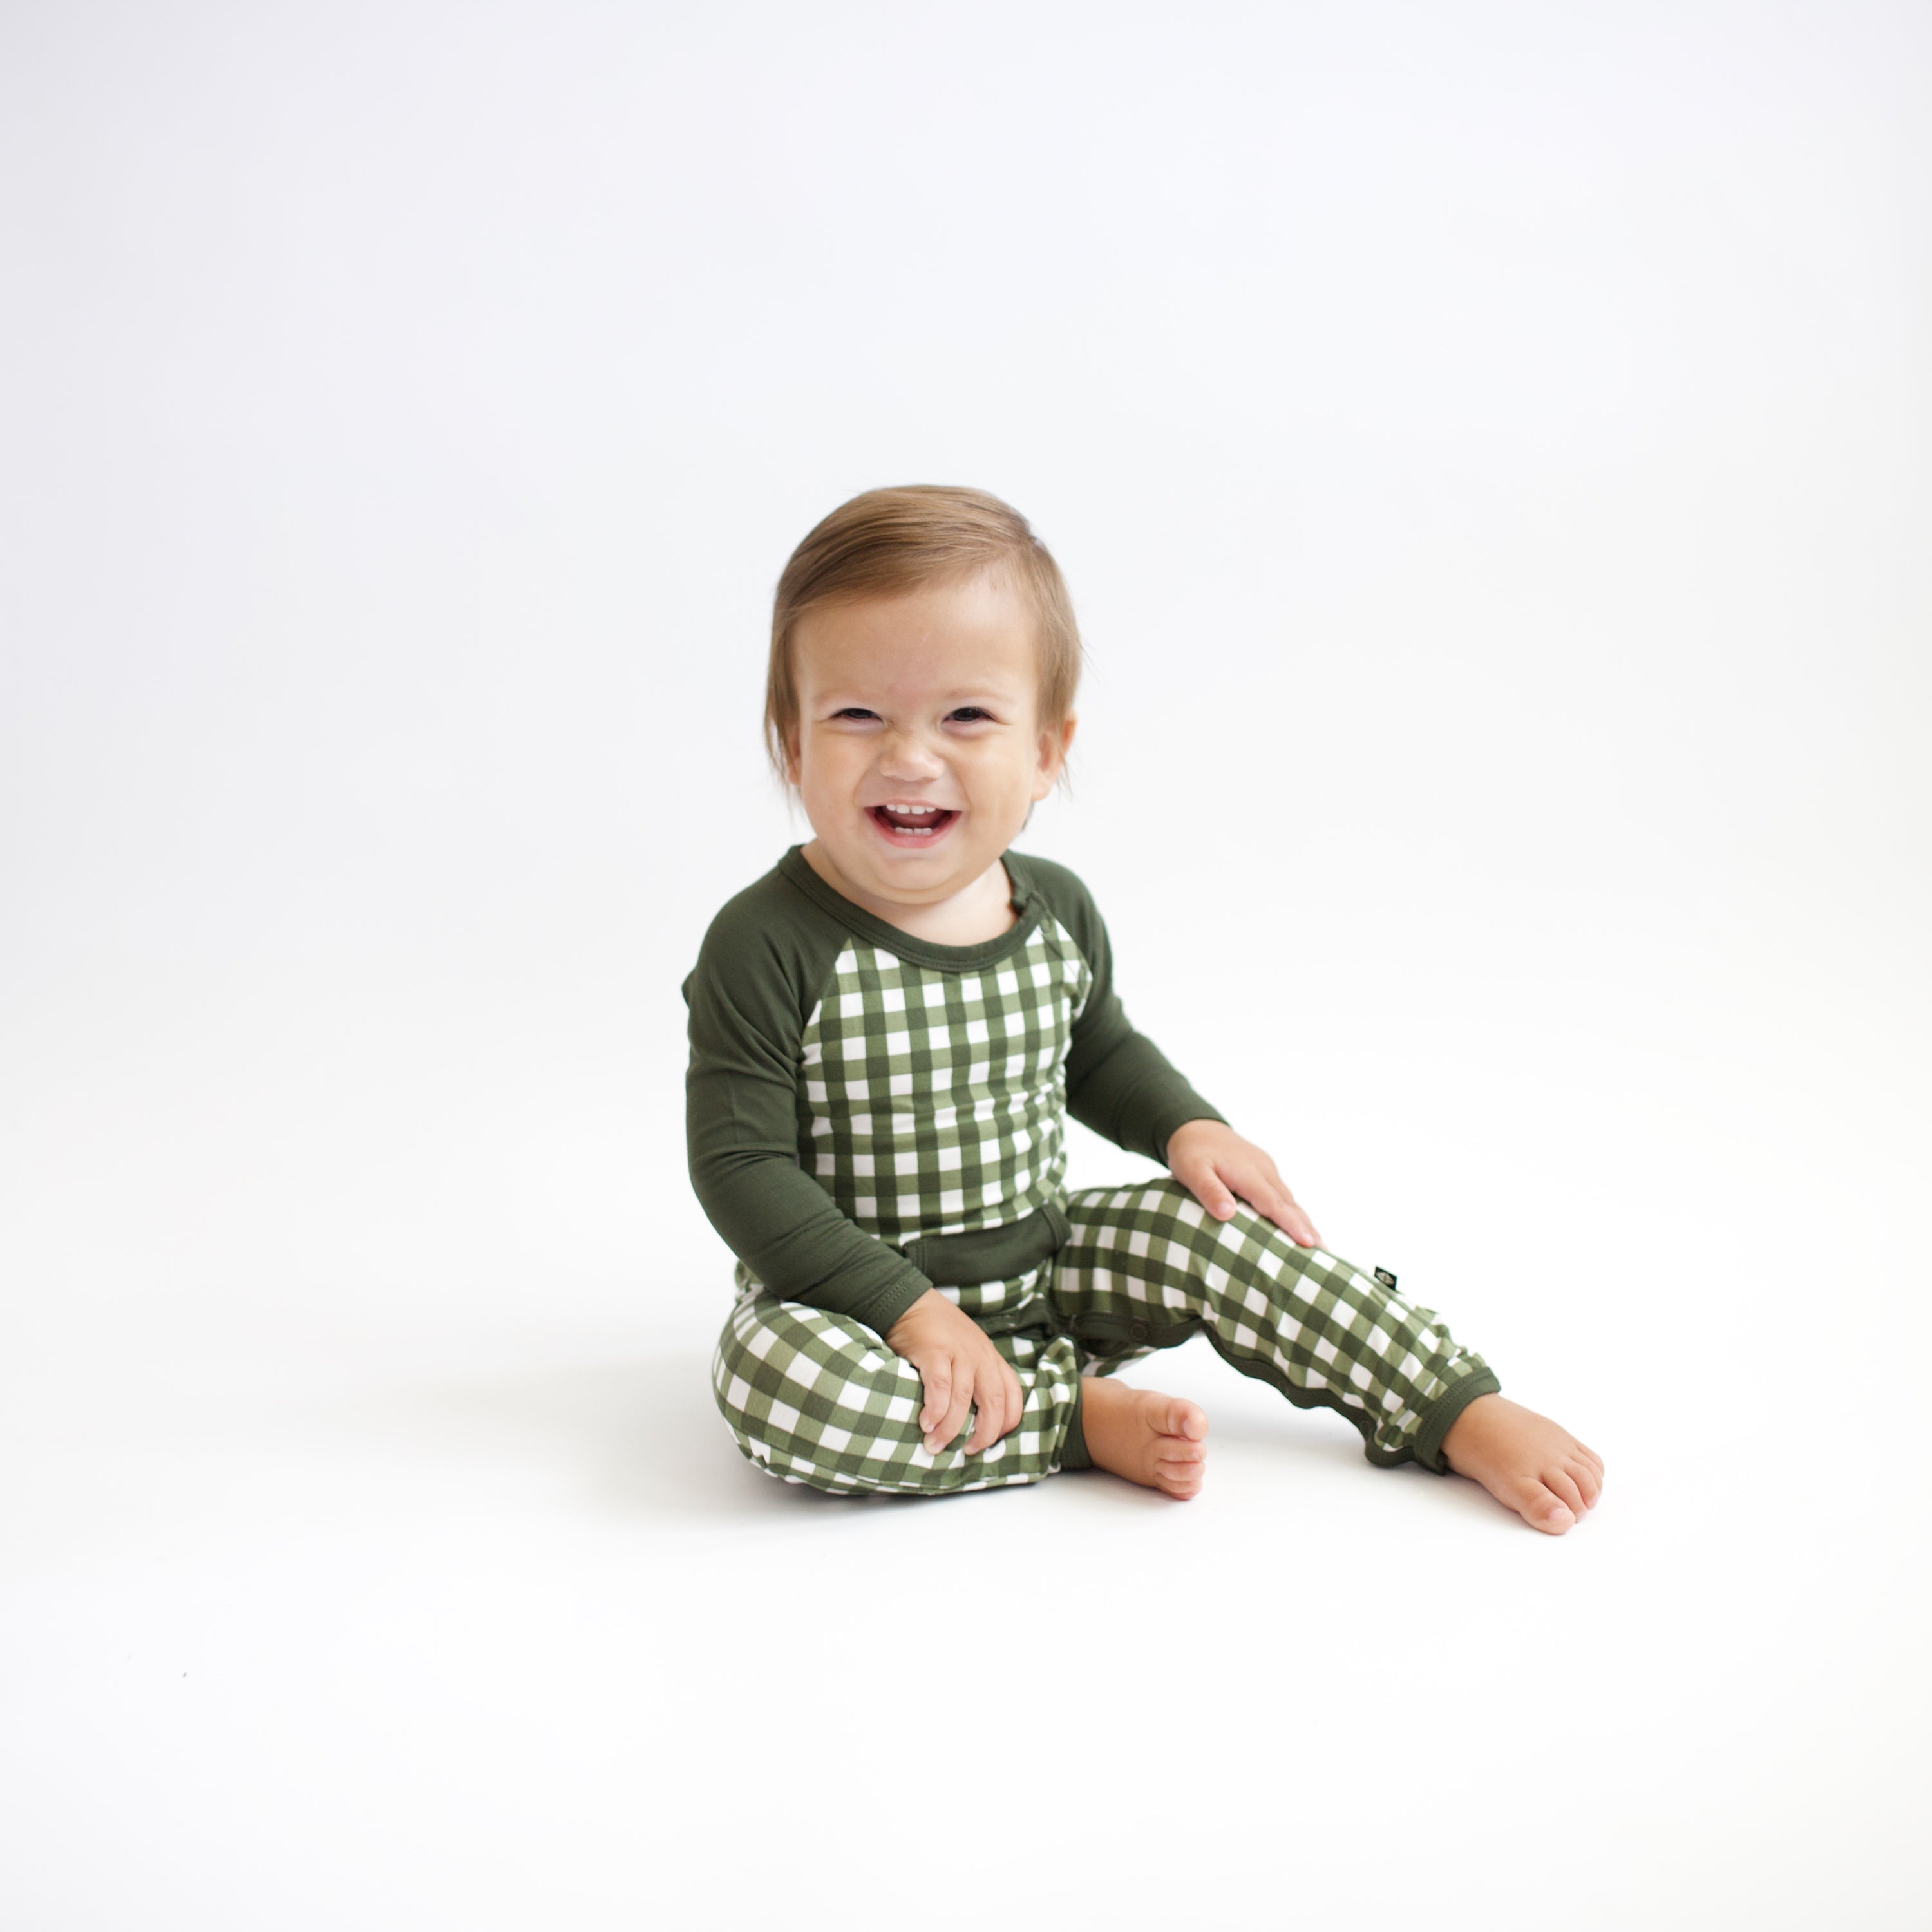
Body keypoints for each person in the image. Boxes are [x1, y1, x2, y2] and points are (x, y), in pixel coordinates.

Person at [684, 485, 1604, 1531]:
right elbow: (740, 1167)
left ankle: (1446, 1403)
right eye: (857, 715)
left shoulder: (1055, 909)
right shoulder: (764, 942)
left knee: (1218, 1228)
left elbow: (1098, 1050)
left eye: (967, 716)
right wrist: (904, 1306)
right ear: (791, 742)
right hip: (856, 1310)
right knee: (773, 1382)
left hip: (1047, 1261)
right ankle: (1070, 1422)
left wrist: (1185, 1125)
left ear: (1046, 749)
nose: (909, 756)